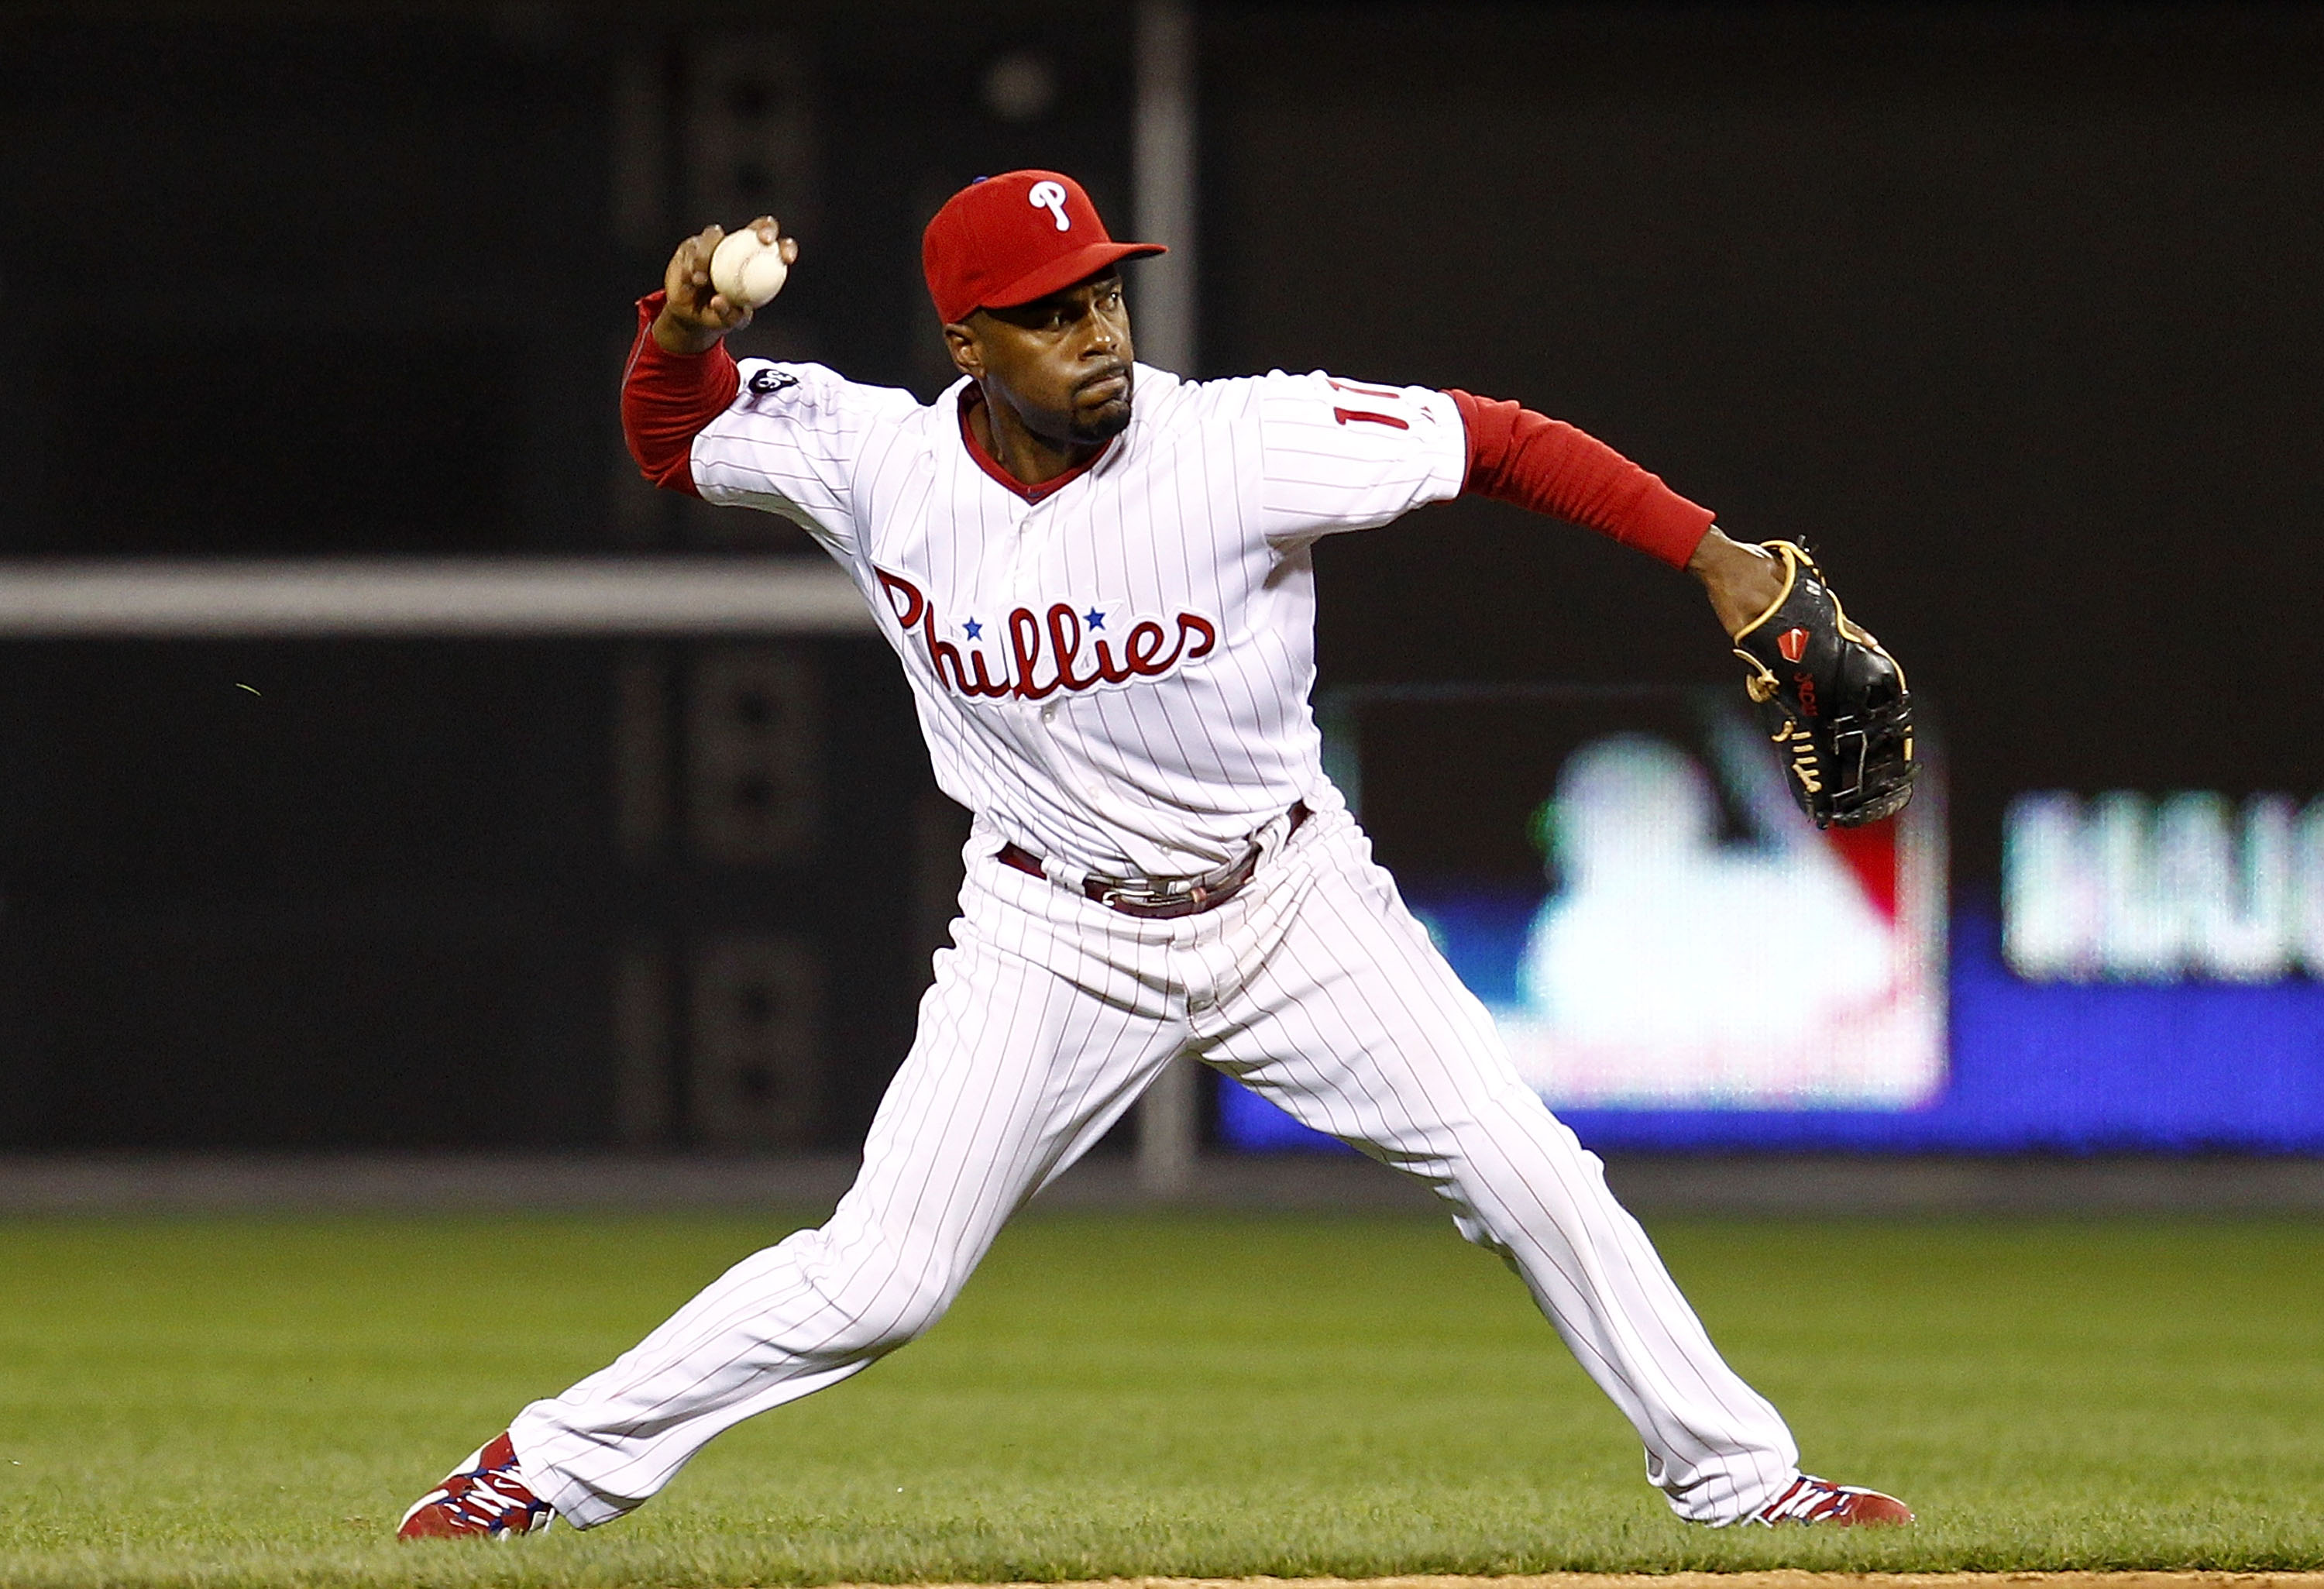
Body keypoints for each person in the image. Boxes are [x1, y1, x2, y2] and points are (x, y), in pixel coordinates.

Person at [397, 169, 1912, 1540]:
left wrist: (1722, 564)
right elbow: (673, 435)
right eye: (1051, 316)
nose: (1098, 332)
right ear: (970, 349)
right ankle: (534, 1469)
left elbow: (1496, 445)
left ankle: (1746, 1483)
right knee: (880, 1282)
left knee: (1535, 1180)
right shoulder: (876, 464)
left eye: (1107, 293)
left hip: (1292, 905)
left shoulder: (1245, 441)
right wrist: (675, 323)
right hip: (1051, 937)